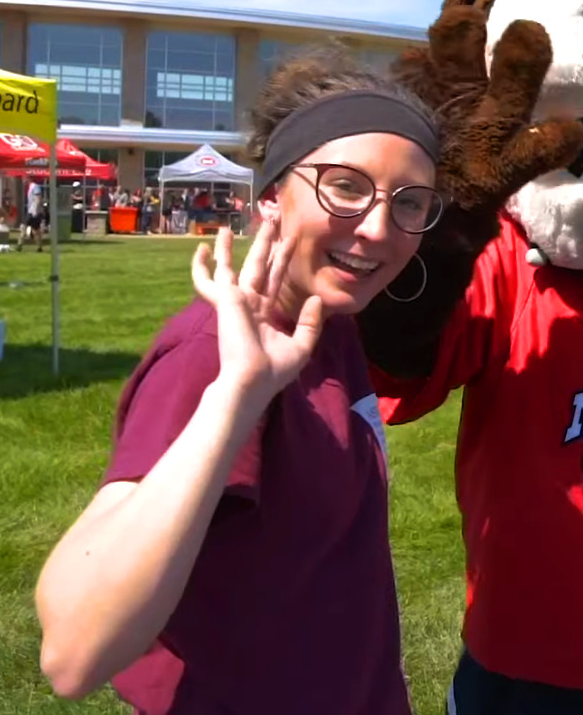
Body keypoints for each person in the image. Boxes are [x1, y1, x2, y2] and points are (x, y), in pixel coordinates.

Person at [34, 50, 453, 713]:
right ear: (271, 197)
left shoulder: (330, 321)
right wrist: (237, 396)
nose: (378, 228)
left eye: (410, 203)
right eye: (344, 186)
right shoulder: (210, 358)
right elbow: (74, 652)